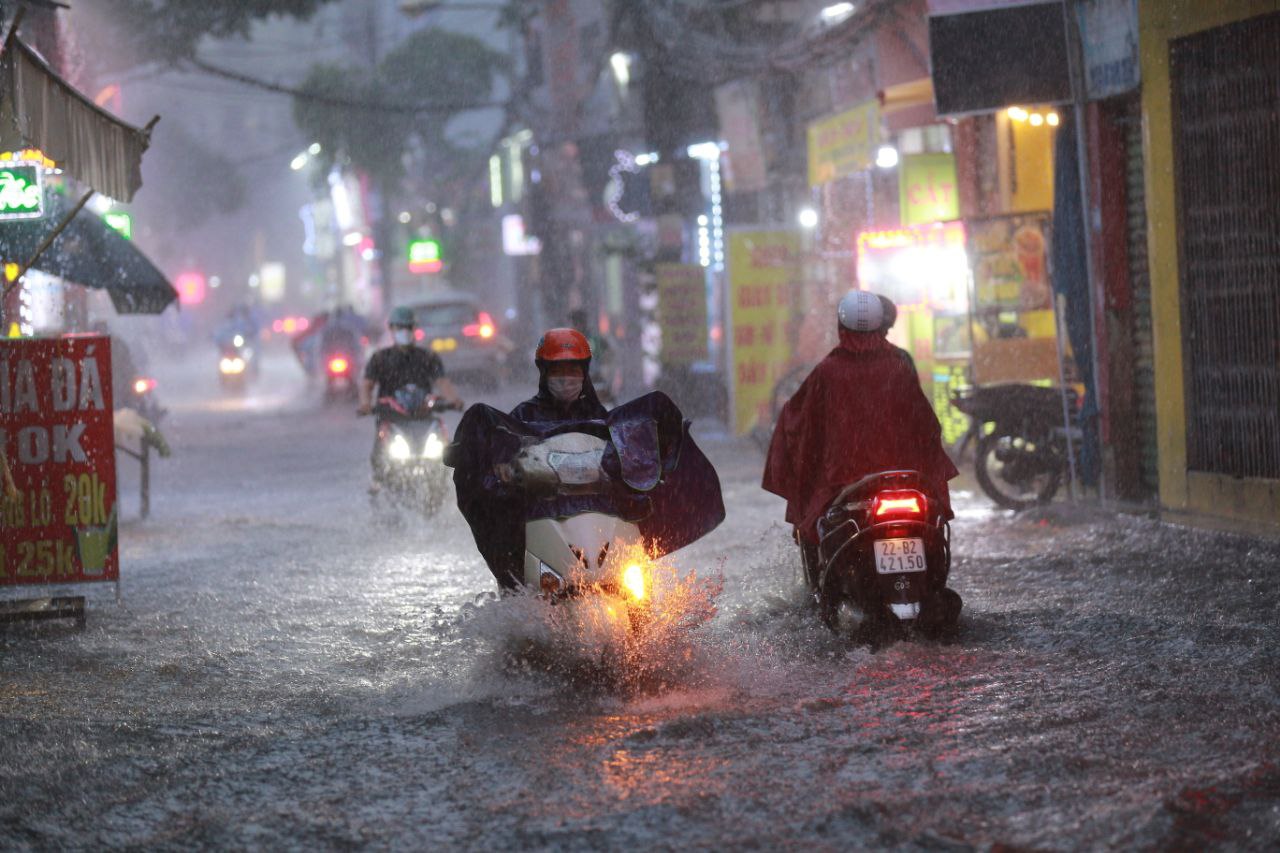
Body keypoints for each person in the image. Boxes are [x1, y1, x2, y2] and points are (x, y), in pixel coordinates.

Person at [762, 290, 958, 587]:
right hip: (905, 479)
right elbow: (926, 427)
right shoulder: (899, 365)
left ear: (842, 328)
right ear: (882, 327)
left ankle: (821, 592)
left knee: (814, 527)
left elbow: (801, 428)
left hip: (844, 484)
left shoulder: (827, 372)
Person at [510, 328, 608, 423]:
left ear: (584, 373)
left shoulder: (596, 415)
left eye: (572, 371)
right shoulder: (524, 416)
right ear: (544, 374)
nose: (565, 378)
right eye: (557, 371)